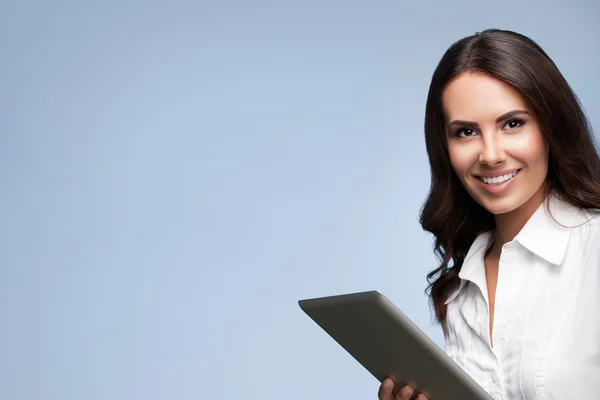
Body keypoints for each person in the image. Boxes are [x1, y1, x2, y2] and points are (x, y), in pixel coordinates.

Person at [378, 29, 600, 400]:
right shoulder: (459, 292)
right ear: (444, 147)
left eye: (512, 123)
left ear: (550, 126)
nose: (491, 154)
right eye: (465, 132)